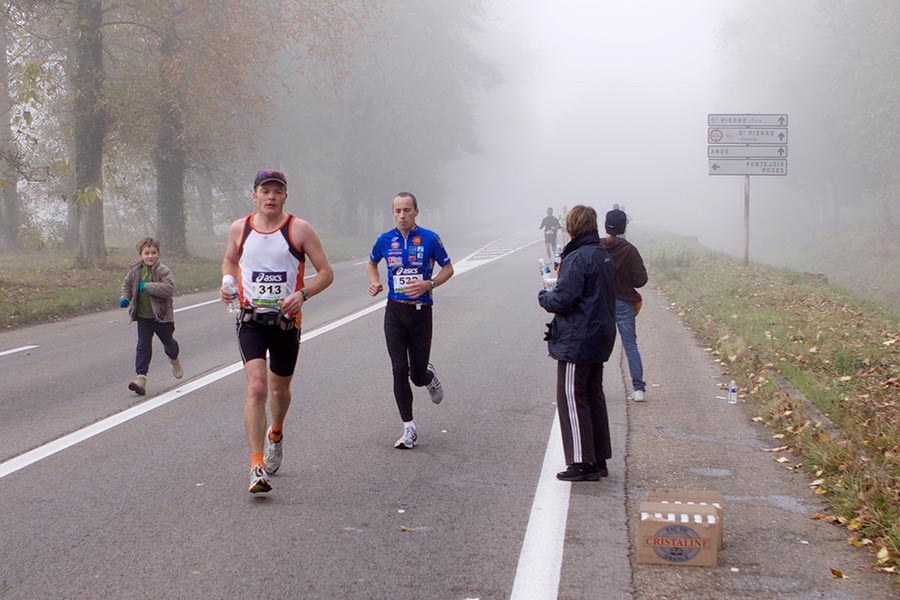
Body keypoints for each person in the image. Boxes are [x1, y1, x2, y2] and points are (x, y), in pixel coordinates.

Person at [221, 169, 334, 494]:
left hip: (286, 322)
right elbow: (229, 260)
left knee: (279, 391)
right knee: (257, 387)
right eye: (265, 191)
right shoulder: (240, 228)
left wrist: (302, 294)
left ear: (285, 196)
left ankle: (276, 432)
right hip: (250, 320)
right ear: (254, 195)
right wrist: (227, 282)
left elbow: (326, 273)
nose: (270, 196)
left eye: (277, 191)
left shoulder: (299, 229)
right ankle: (256, 465)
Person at [367, 192, 454, 449]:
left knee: (416, 374)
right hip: (395, 311)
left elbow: (448, 268)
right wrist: (374, 282)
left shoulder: (430, 238)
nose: (402, 215)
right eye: (397, 211)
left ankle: (428, 376)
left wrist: (430, 283)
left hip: (420, 311)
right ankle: (409, 428)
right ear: (392, 213)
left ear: (416, 211)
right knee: (398, 369)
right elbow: (371, 263)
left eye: (407, 210)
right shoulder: (385, 240)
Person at [538, 205, 617, 481]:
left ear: (571, 227)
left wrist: (544, 295)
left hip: (578, 337)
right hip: (601, 333)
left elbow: (563, 299)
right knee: (594, 395)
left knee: (572, 396)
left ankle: (582, 462)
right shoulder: (602, 255)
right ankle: (599, 457)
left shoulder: (577, 258)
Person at [119, 237, 183, 396]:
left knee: (168, 342)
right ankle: (140, 378)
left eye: (153, 253)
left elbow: (168, 289)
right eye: (146, 253)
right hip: (143, 317)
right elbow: (127, 285)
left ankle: (174, 359)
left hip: (162, 317)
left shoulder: (163, 271)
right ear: (141, 255)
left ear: (158, 253)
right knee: (143, 346)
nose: (150, 256)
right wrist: (125, 297)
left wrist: (146, 286)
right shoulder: (135, 271)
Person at [601, 208, 648, 401]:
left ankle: (594, 386)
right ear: (624, 227)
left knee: (597, 344)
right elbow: (641, 280)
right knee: (630, 344)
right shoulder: (630, 250)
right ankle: (638, 389)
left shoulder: (597, 246)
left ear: (605, 226)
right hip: (624, 303)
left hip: (601, 302)